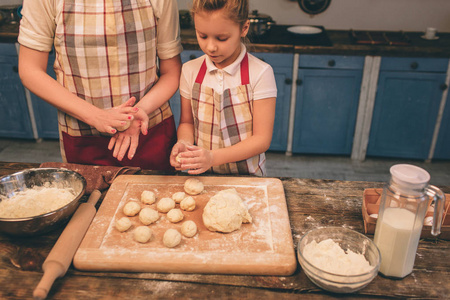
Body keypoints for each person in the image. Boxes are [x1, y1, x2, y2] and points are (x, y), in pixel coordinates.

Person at [17, 0, 183, 170]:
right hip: (83, 136)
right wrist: (96, 116)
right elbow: (30, 70)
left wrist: (135, 115)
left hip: (149, 129)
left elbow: (171, 72)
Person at [170, 0, 276, 176]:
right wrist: (184, 143)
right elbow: (187, 123)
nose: (210, 47)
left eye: (222, 38)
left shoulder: (260, 73)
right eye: (202, 36)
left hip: (248, 178)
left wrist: (212, 157)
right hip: (202, 176)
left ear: (244, 28)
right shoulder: (190, 71)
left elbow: (262, 140)